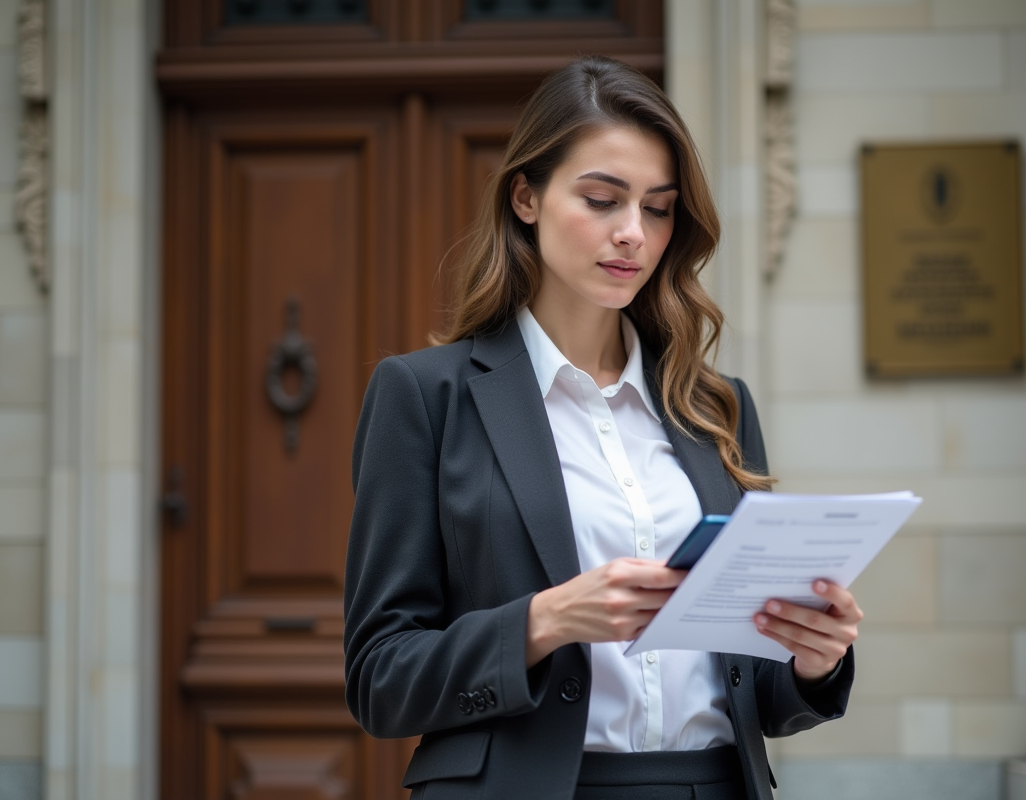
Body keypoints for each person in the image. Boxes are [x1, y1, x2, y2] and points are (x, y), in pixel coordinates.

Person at [343, 55, 862, 800]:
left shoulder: (718, 407)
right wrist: (542, 621)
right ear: (526, 196)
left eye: (658, 208)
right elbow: (380, 679)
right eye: (601, 199)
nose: (633, 234)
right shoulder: (426, 397)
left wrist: (814, 660)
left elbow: (758, 693)